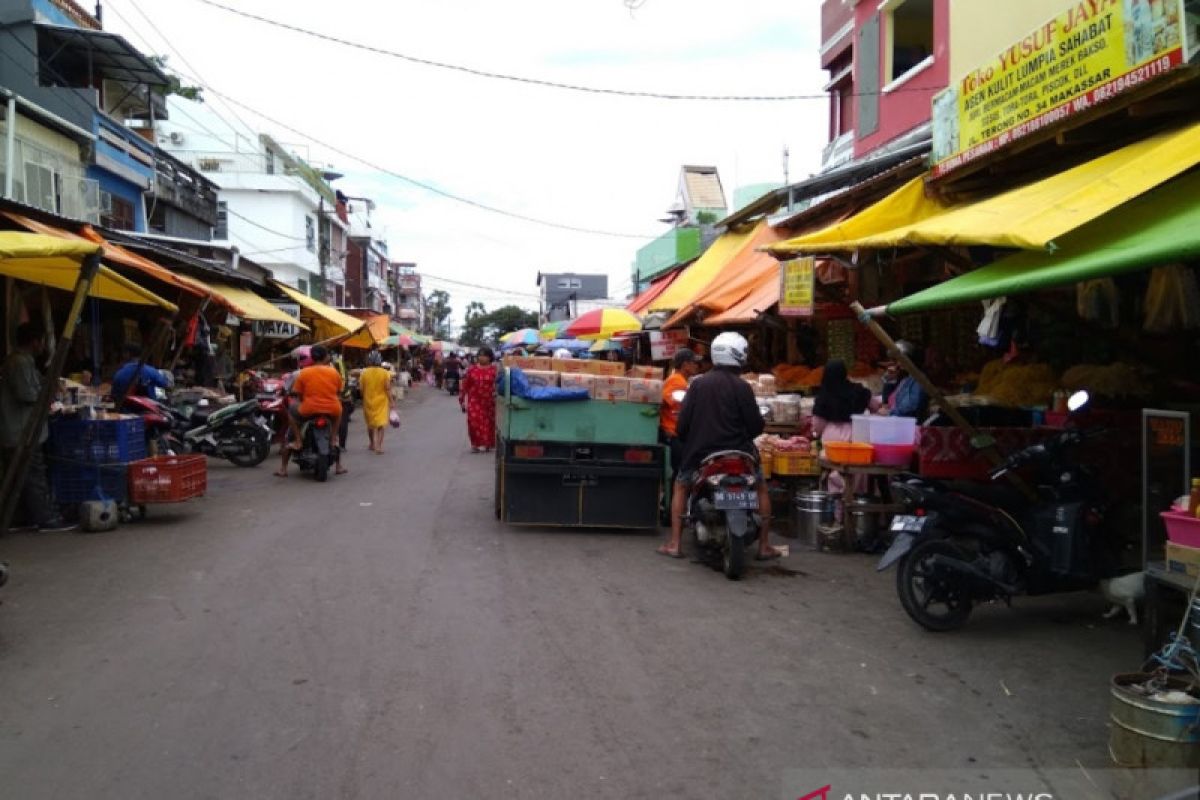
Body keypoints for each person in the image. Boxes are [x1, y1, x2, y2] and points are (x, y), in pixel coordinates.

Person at [659, 332, 779, 561]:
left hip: (701, 453)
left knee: (681, 485)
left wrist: (690, 437)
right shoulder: (743, 387)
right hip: (740, 452)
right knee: (761, 487)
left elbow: (682, 425)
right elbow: (755, 426)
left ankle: (675, 543)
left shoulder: (697, 385)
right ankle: (764, 545)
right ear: (739, 356)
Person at [0, 323, 75, 532]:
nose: (43, 345)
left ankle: (21, 518)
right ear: (35, 342)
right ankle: (46, 519)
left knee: (20, 478)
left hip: (18, 430)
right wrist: (47, 393)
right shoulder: (19, 363)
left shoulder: (22, 362)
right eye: (41, 341)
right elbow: (27, 393)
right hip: (22, 432)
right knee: (33, 476)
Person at [276, 344, 346, 477]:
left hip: (309, 409)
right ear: (326, 357)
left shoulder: (304, 373)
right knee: (339, 414)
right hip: (332, 409)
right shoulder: (334, 372)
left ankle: (296, 442)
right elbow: (338, 391)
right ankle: (334, 446)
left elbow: (299, 394)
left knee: (291, 412)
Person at [659, 348, 700, 483]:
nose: (696, 365)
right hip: (674, 434)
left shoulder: (679, 380)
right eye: (693, 362)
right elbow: (666, 400)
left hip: (674, 433)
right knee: (680, 475)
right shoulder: (677, 381)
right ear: (685, 365)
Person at [459, 346, 498, 453]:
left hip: (489, 402)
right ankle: (475, 444)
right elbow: (465, 385)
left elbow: (499, 385)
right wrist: (462, 400)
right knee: (473, 422)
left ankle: (487, 444)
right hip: (474, 402)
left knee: (488, 424)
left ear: (490, 357)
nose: (481, 357)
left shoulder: (494, 370)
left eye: (484, 355)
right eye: (480, 355)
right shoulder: (472, 370)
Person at [358, 350, 395, 454]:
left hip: (368, 401)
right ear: (380, 361)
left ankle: (372, 444)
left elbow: (361, 389)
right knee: (381, 425)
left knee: (370, 424)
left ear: (369, 361)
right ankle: (378, 446)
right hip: (381, 402)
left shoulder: (364, 373)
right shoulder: (385, 373)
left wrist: (363, 397)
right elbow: (387, 389)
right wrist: (391, 401)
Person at [883, 340, 929, 420]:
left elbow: (910, 407)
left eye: (901, 360)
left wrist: (890, 413)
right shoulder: (905, 379)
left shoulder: (918, 379)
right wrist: (889, 380)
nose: (898, 363)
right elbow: (887, 401)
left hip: (908, 424)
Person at [333, 351, 354, 451]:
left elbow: (343, 379)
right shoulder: (337, 362)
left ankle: (340, 445)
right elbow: (343, 379)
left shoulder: (337, 362)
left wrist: (339, 394)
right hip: (338, 397)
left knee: (341, 421)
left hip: (339, 397)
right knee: (341, 421)